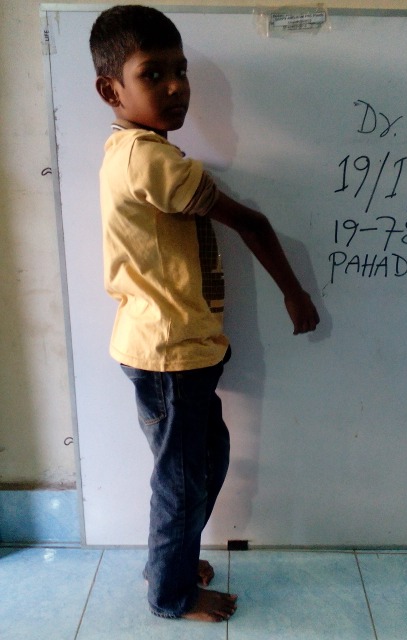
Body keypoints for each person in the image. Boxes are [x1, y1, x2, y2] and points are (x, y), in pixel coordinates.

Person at [89, 4, 320, 624]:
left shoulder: (132, 151)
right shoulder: (150, 160)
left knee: (200, 465)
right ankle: (170, 594)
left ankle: (170, 563)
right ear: (111, 90)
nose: (175, 86)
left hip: (175, 348)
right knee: (184, 480)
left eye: (181, 70)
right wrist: (294, 293)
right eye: (153, 74)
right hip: (169, 354)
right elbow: (253, 223)